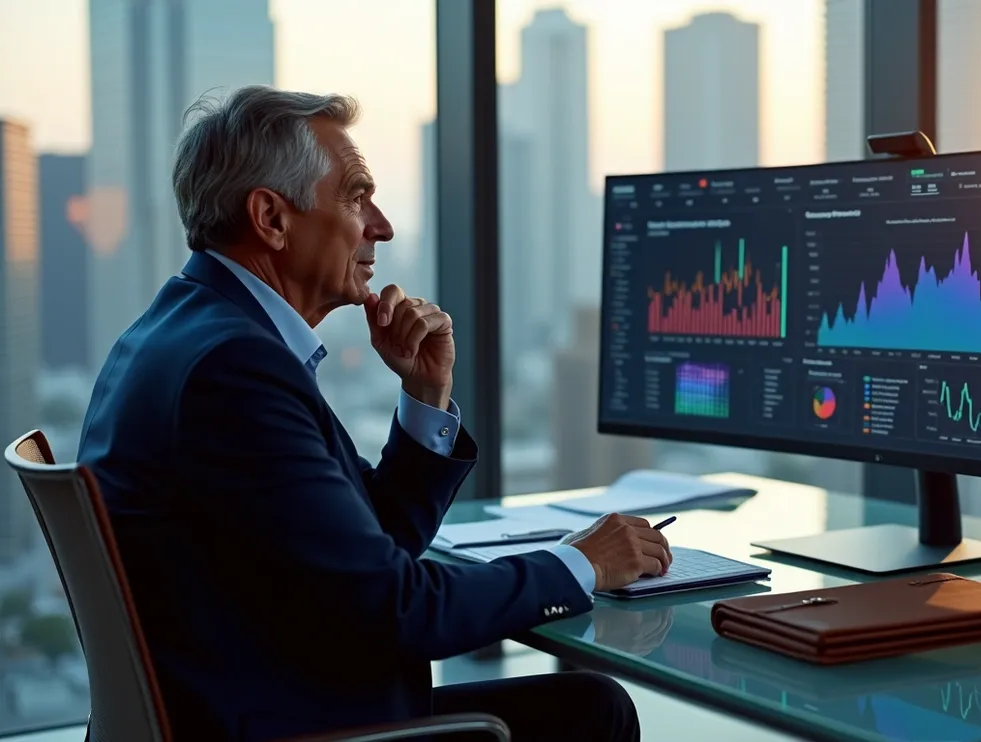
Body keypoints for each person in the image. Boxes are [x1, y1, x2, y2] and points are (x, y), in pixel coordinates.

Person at [77, 85, 670, 742]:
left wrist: (425, 394)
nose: (382, 226)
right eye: (357, 197)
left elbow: (371, 546)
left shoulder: (185, 332)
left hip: (264, 701)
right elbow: (398, 609)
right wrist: (582, 564)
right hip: (291, 725)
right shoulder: (233, 371)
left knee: (588, 704)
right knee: (593, 712)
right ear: (271, 217)